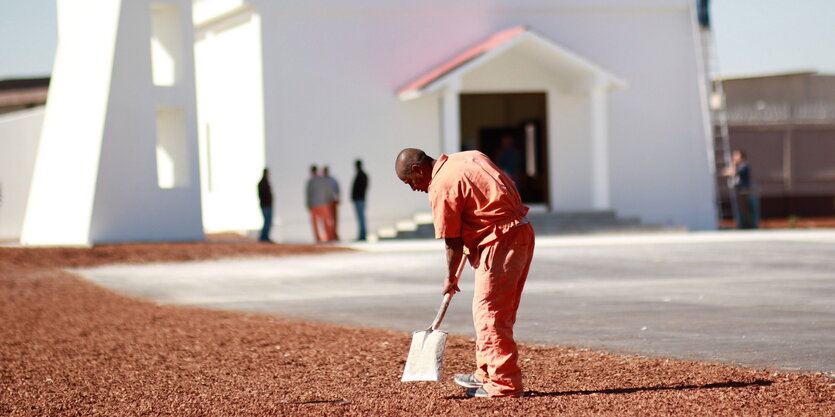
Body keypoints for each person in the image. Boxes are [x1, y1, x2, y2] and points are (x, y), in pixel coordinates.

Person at [395, 148, 535, 398]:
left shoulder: (441, 185)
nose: (413, 188)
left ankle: (504, 384)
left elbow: (452, 241)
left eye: (409, 182)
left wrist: (450, 278)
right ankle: (486, 373)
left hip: (500, 241)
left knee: (490, 313)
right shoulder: (468, 157)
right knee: (494, 310)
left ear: (418, 170)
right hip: (521, 233)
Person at [725, 149, 759, 229]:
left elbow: (732, 172)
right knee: (742, 209)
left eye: (736, 155)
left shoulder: (744, 166)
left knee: (746, 209)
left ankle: (749, 226)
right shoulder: (739, 166)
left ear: (742, 157)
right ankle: (745, 225)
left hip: (744, 191)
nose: (734, 157)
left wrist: (733, 163)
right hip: (740, 190)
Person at [305, 165, 336, 243]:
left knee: (318, 223)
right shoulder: (323, 180)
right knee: (325, 222)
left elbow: (308, 193)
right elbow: (329, 191)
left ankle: (320, 237)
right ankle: (329, 236)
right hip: (323, 204)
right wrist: (329, 201)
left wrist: (308, 204)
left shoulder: (311, 181)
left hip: (316, 205)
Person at [351, 159, 369, 241]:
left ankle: (363, 235)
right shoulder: (361, 175)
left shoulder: (361, 175)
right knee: (360, 218)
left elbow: (362, 187)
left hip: (360, 199)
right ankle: (362, 235)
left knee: (361, 218)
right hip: (359, 199)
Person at [323, 166, 340, 240]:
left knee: (334, 218)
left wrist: (338, 198)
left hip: (333, 201)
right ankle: (329, 234)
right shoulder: (321, 180)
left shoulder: (332, 180)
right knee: (327, 219)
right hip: (325, 202)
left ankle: (334, 234)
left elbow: (337, 190)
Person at [257, 168, 274, 242]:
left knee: (267, 221)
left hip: (265, 205)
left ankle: (264, 236)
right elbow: (263, 195)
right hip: (266, 205)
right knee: (267, 221)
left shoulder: (263, 182)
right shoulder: (263, 183)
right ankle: (264, 237)